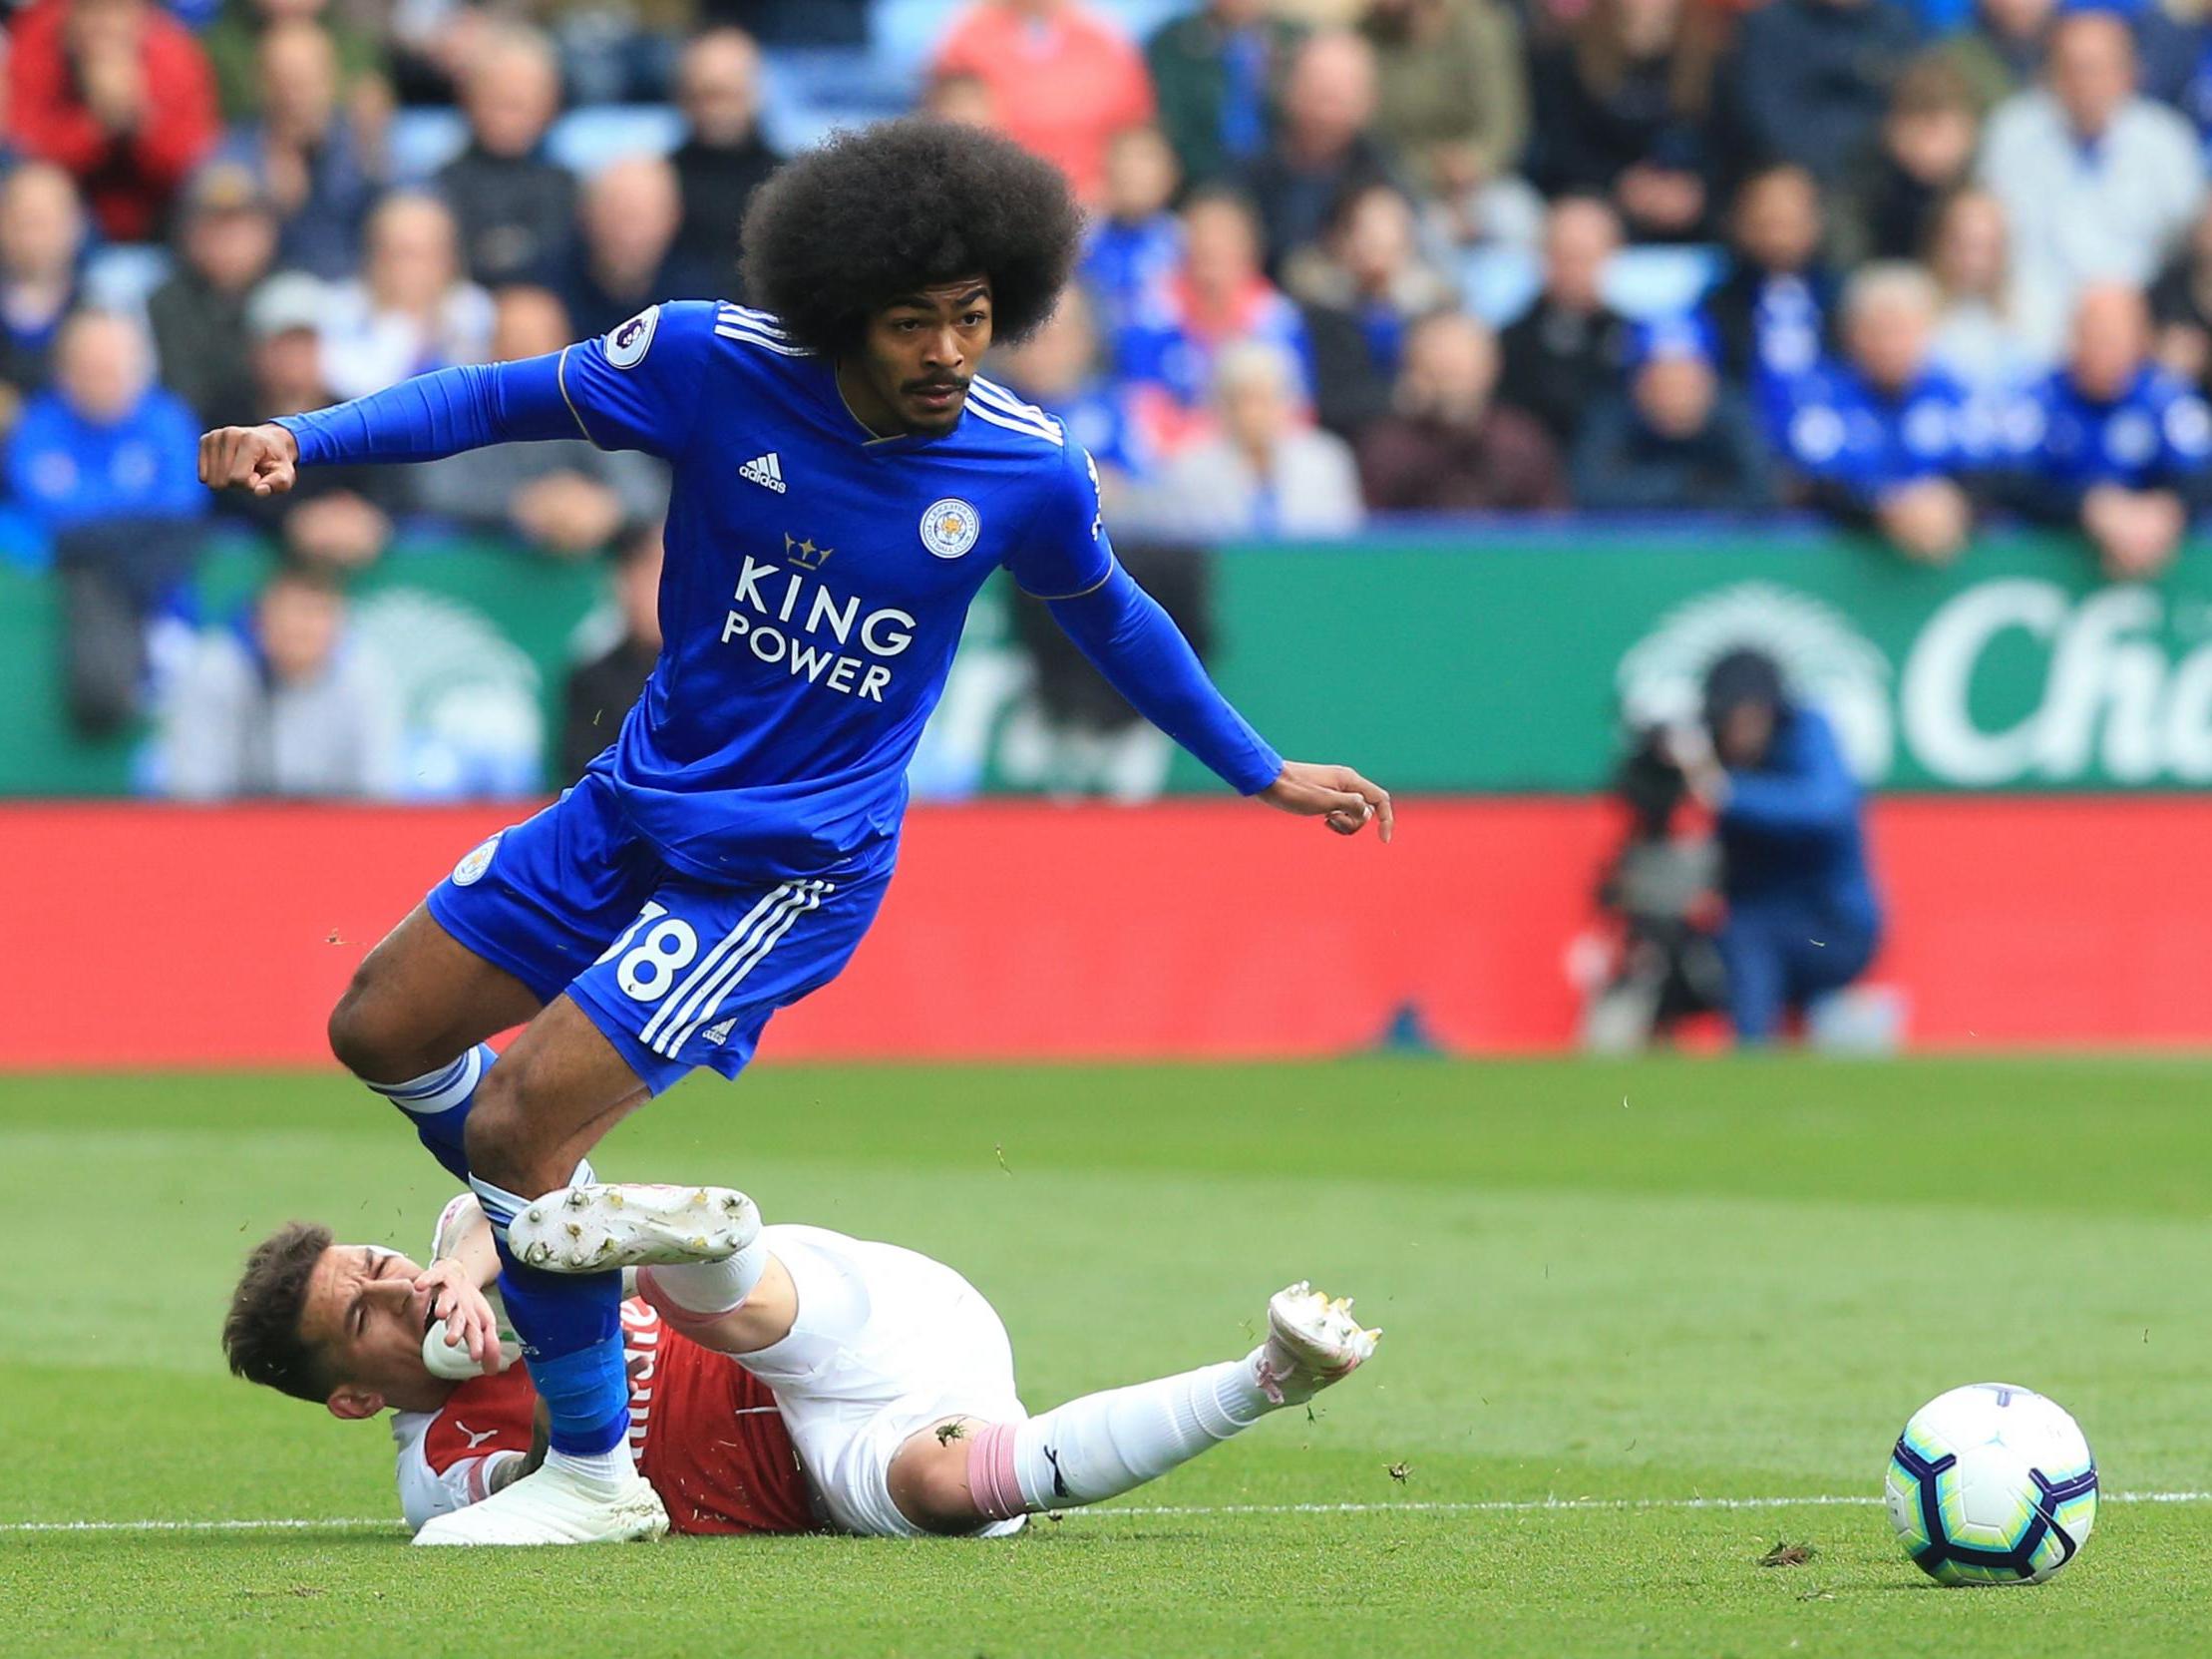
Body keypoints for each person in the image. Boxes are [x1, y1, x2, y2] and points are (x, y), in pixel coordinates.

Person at [197, 118, 1391, 1547]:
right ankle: (545, 1200)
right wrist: (304, 438)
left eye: (973, 316)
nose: (951, 348)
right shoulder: (710, 363)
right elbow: (491, 400)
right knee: (376, 1027)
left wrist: (1254, 769)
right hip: (636, 798)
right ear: (837, 314)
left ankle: (590, 1468)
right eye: (912, 321)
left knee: (514, 1119)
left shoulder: (1024, 467)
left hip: (784, 868)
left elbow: (1115, 618)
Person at [221, 1179, 1379, 1542]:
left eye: (374, 1262)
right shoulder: (441, 1464)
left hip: (835, 1318)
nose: (397, 1288)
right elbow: (546, 1467)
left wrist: (484, 1281)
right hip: (834, 1461)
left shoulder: (467, 1250)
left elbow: (473, 1207)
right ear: (355, 1393)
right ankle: (1266, 1380)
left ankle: (707, 1241)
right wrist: (518, 1338)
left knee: (669, 1279)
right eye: (367, 1315)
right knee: (941, 1493)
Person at [10, 309, 206, 734]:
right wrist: (116, 523)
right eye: (89, 369)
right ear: (63, 372)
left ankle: (162, 642)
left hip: (152, 573)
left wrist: (87, 533)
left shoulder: (167, 421)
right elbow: (40, 514)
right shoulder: (39, 425)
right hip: (77, 581)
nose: (103, 381)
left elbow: (179, 514)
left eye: (114, 369)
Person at [1672, 649, 1882, 1047]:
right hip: (1754, 919)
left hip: (1832, 926)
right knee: (1700, 938)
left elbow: (1826, 808)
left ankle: (1751, 1056)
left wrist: (1728, 791)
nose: (1743, 732)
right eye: (1734, 720)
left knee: (1748, 932)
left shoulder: (1809, 731)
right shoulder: (1708, 752)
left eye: (1753, 718)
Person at [1979, 11, 2204, 357]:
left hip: (2140, 327)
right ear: (2049, 73)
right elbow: (1987, 240)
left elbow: (2187, 252)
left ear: (2129, 74)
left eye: (2097, 68)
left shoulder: (2167, 141)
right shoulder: (2012, 132)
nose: (2084, 81)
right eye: (2070, 67)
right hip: (2029, 327)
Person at [409, 285, 667, 560]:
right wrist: (522, 505)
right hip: (477, 570)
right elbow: (434, 489)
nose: (527, 353)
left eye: (538, 340)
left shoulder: (592, 409)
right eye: (513, 340)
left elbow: (646, 491)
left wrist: (603, 506)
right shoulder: (462, 409)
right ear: (490, 348)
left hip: (581, 574)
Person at [1777, 262, 1984, 565]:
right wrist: (1884, 507)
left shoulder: (1958, 396)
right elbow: (1807, 486)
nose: (1889, 346)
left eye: (1902, 331)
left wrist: (1956, 500)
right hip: (1836, 569)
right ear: (1851, 334)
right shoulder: (1815, 399)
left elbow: (2000, 475)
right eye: (1877, 331)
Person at [2009, 281, 2212, 581]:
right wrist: (2090, 507)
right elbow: (2007, 482)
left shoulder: (2169, 400)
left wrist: (2165, 510)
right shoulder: (2037, 401)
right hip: (2052, 562)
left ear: (2141, 340)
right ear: (2073, 337)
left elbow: (2200, 473)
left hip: (2152, 553)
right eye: (2094, 336)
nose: (2104, 350)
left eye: (2115, 337)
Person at [156, 561, 398, 799]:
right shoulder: (215, 670)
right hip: (233, 828)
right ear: (259, 622)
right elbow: (193, 792)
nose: (305, 628)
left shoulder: (365, 676)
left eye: (319, 614)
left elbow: (375, 792)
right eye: (293, 613)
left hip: (336, 829)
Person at [1112, 187, 1313, 457]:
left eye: (1225, 236)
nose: (1212, 245)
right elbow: (1142, 416)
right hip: (1175, 468)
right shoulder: (1151, 318)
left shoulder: (1277, 319)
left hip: (1259, 462)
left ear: (1251, 248)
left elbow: (1297, 416)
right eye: (1202, 234)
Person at [221, 271, 398, 572]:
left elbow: (387, 486)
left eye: (306, 344)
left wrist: (365, 516)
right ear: (257, 350)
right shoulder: (228, 417)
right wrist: (294, 519)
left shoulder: (354, 415)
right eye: (284, 345)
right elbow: (227, 492)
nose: (296, 357)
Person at [7, 0, 220, 241]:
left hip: (161, 215)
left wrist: (136, 121)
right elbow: (24, 148)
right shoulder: (37, 46)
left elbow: (191, 158)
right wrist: (95, 127)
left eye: (117, 12)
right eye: (92, 12)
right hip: (67, 221)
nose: (104, 28)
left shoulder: (175, 54)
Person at [1528, 0, 1722, 244]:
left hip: (1690, 203)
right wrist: (1621, 184)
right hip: (1596, 195)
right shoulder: (1567, 56)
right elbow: (1560, 147)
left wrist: (1693, 187)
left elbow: (1725, 144)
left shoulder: (1713, 56)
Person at [929, 0, 1154, 204]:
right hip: (993, 201)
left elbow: (1134, 130)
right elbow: (951, 127)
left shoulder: (1104, 38)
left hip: (1095, 207)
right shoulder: (968, 35)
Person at [1141, 339, 1363, 537]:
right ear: (1221, 406)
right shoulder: (1188, 471)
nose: (1253, 414)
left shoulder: (1326, 464)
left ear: (1288, 402)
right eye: (1242, 400)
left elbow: (1345, 547)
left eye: (1265, 399)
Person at [215, 16, 377, 280]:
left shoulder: (360, 143)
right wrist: (267, 204)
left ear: (332, 80)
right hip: (274, 288)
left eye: (307, 82)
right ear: (262, 86)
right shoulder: (237, 155)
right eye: (284, 83)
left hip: (362, 287)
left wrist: (373, 157)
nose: (295, 98)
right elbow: (213, 235)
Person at [1358, 310, 1568, 512]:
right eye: (1439, 372)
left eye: (1459, 371)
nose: (1451, 386)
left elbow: (1550, 530)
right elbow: (1374, 530)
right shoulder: (1389, 447)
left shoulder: (1521, 442)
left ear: (1490, 368)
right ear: (1414, 371)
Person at [1360, 0, 1530, 245]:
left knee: (1513, 219)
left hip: (1485, 181)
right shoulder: (1366, 38)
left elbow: (1504, 122)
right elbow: (1373, 135)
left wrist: (1473, 162)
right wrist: (1432, 169)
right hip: (1402, 182)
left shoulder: (1479, 27)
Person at [1570, 315, 1777, 512]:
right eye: (1661, 379)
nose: (1675, 393)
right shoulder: (1612, 413)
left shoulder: (1735, 414)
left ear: (1710, 379)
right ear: (1637, 383)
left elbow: (1762, 491)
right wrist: (1687, 483)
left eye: (1686, 379)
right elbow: (1590, 491)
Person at [1238, 31, 1401, 266]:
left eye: (1341, 91)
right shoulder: (1253, 163)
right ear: (1290, 89)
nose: (1326, 103)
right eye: (1317, 84)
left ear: (1368, 101)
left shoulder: (1380, 172)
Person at [1721, 0, 1918, 188]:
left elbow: (1911, 112)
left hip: (1877, 181)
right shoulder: (1770, 25)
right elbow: (1763, 118)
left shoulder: (1897, 27)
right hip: (1788, 173)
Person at [318, 193, 493, 402]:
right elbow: (353, 388)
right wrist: (406, 328)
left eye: (428, 254)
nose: (414, 269)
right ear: (375, 255)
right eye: (402, 253)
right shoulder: (340, 308)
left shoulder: (475, 309)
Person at [436, 26, 575, 288]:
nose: (506, 117)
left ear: (549, 107)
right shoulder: (439, 188)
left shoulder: (569, 190)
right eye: (496, 100)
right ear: (468, 100)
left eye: (518, 104)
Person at [1706, 165, 1838, 440]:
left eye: (1789, 223)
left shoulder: (1843, 299)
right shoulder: (1716, 309)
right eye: (1766, 223)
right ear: (1739, 224)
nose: (1778, 238)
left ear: (1815, 223)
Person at [148, 161, 279, 431]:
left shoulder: (286, 297)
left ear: (266, 234)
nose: (228, 241)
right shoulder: (166, 303)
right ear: (190, 234)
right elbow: (180, 394)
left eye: (239, 227)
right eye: (215, 227)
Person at [1497, 196, 1628, 450]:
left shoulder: (1634, 337)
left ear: (1611, 255)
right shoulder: (1508, 344)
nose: (1573, 269)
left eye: (1585, 256)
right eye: (1563, 255)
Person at [1830, 57, 1981, 270]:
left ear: (1970, 130)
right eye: (1919, 125)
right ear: (1890, 129)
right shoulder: (1863, 192)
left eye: (1941, 128)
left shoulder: (1983, 191)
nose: (1931, 145)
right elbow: (1854, 270)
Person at [1144, 0, 1301, 189]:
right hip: (1194, 178)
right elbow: (1168, 121)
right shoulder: (1172, 42)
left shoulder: (1295, 41)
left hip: (1280, 182)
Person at [668, 28, 782, 280]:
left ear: (755, 92)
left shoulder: (790, 182)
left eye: (728, 94)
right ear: (682, 96)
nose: (716, 110)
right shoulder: (658, 186)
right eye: (706, 95)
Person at [561, 157, 714, 341]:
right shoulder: (547, 291)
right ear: (586, 214)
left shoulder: (700, 300)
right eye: (617, 214)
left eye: (640, 217)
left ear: (673, 219)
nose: (628, 232)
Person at [559, 522, 662, 783]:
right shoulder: (593, 681)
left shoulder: (729, 674)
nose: (657, 589)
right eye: (646, 574)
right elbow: (583, 779)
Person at [0, 162, 85, 431]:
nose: (32, 237)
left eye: (44, 222)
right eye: (22, 221)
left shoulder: (101, 311)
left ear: (75, 227)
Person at [1079, 125, 1184, 339]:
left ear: (1170, 175)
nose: (1132, 171)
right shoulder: (1080, 241)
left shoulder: (1186, 243)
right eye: (1124, 160)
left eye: (1145, 160)